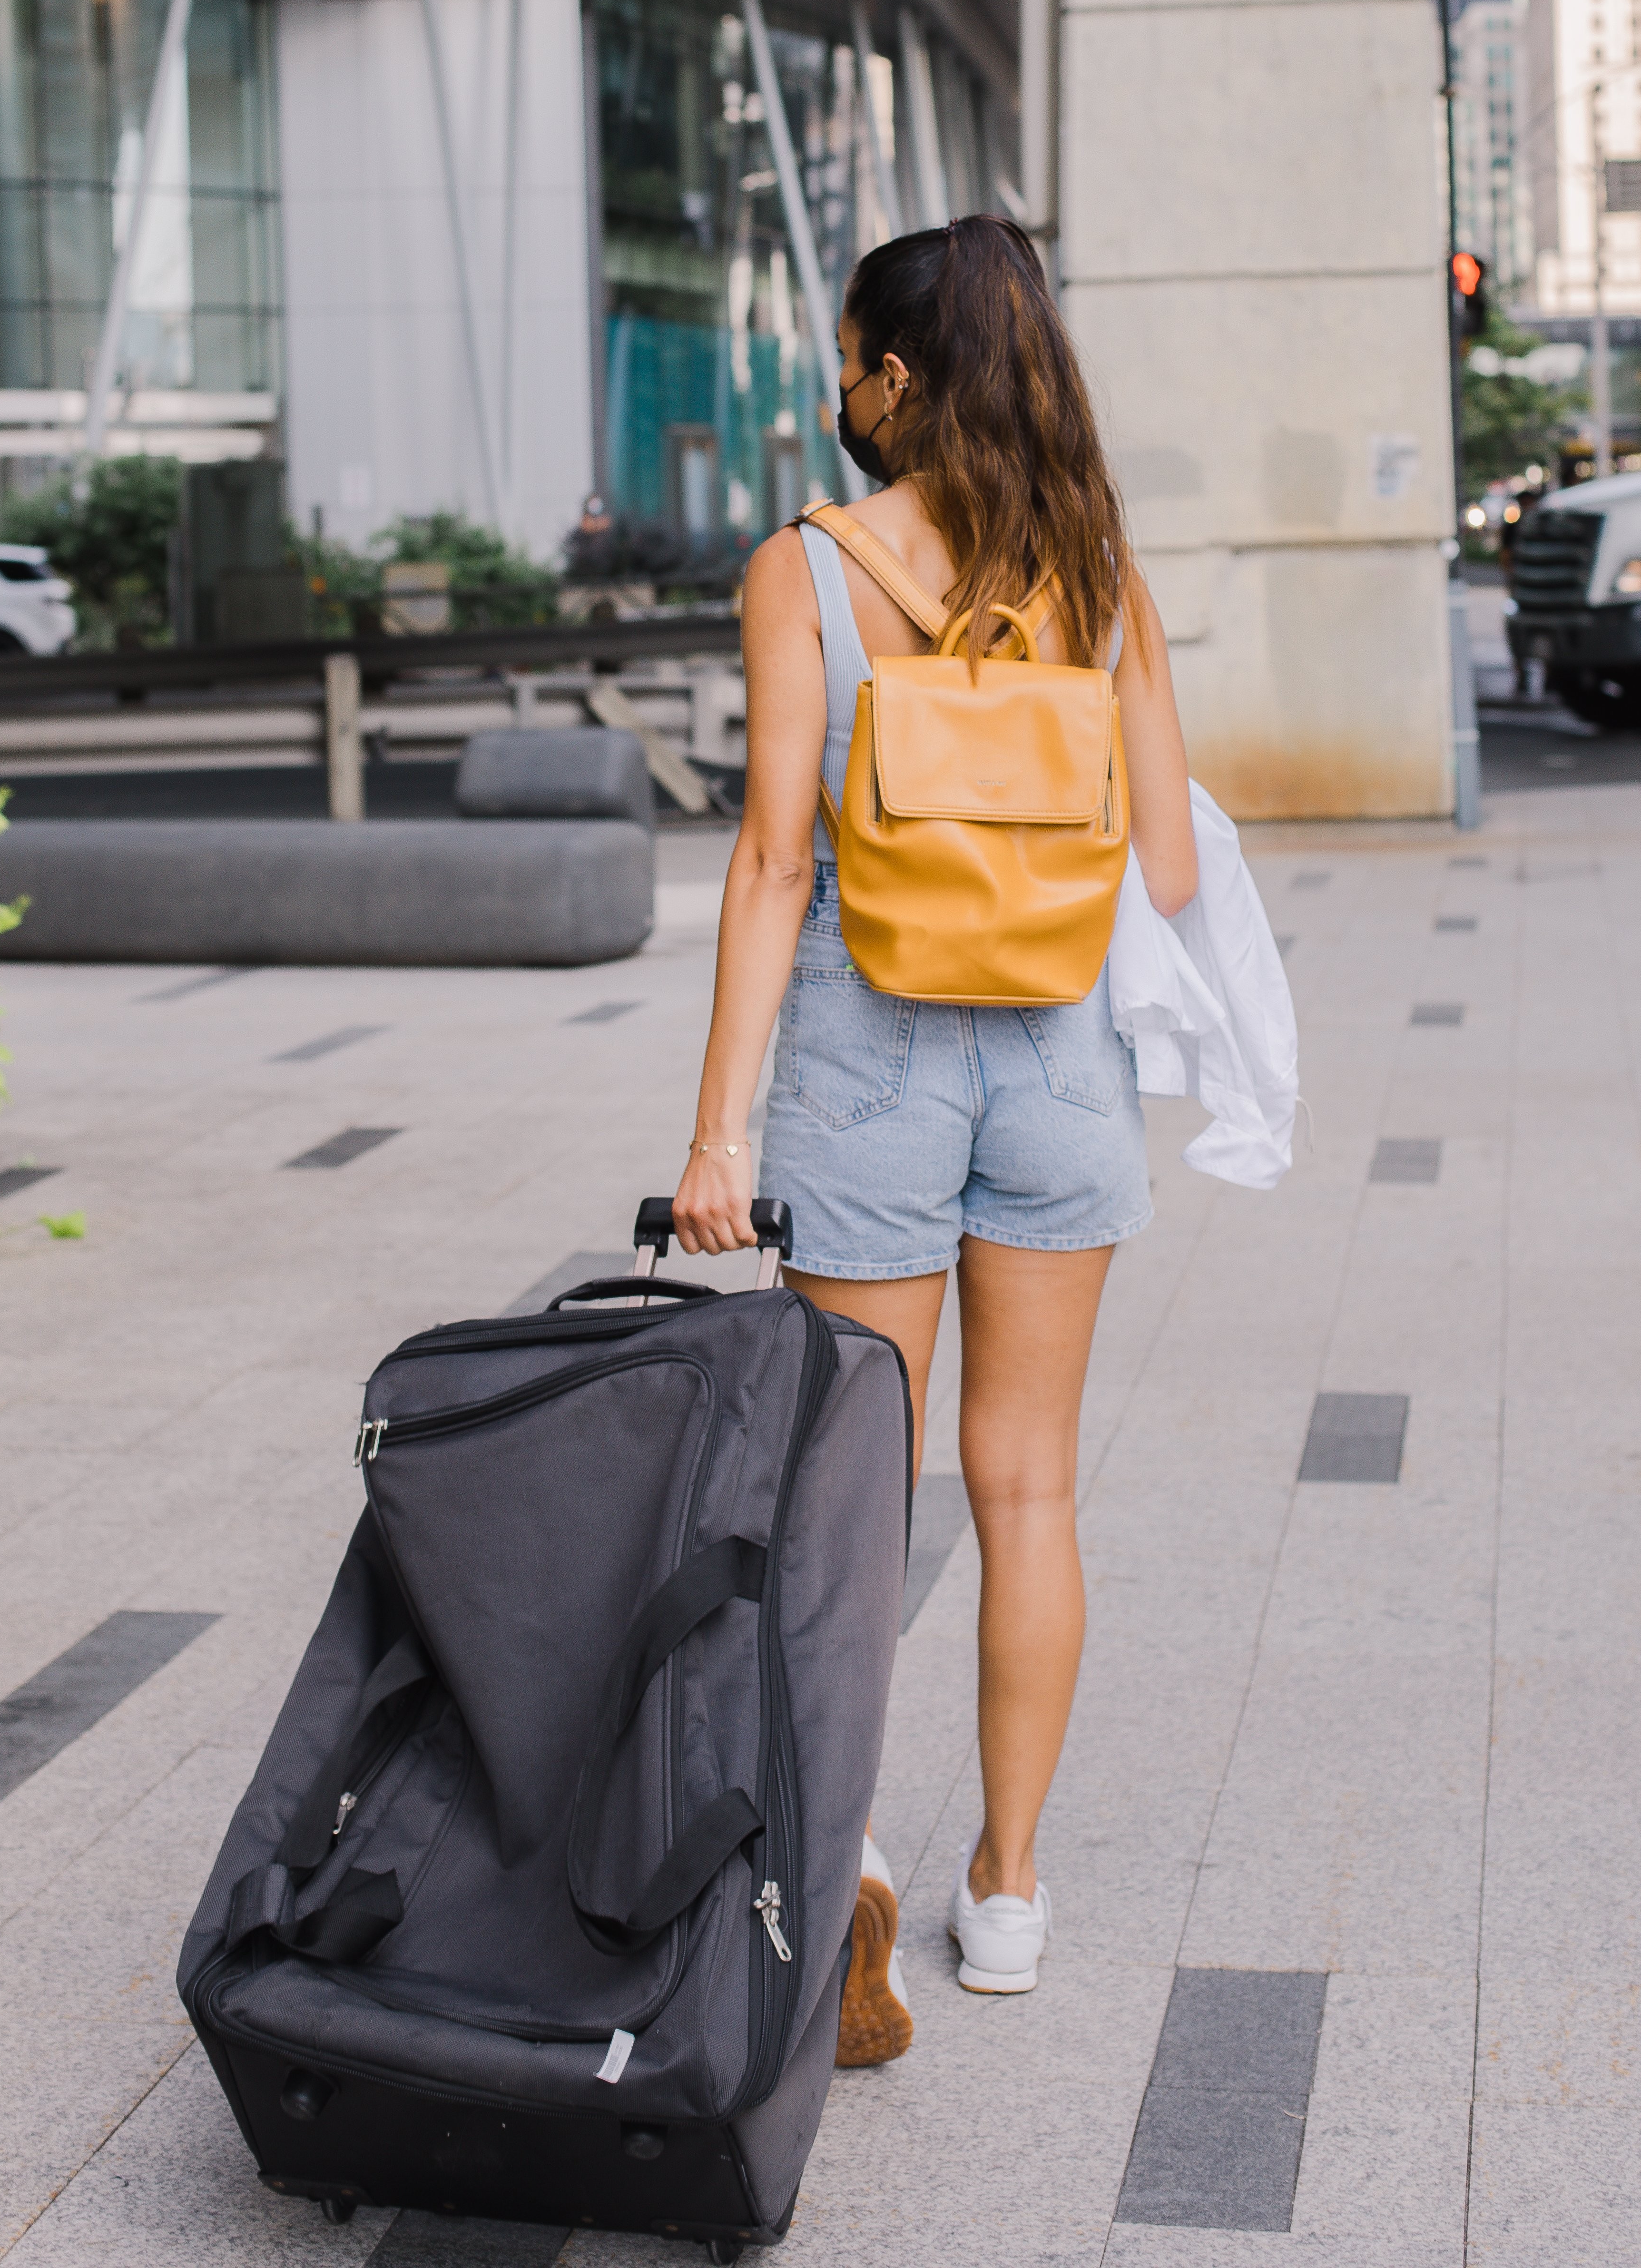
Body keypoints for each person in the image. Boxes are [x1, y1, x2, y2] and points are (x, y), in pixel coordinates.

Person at [672, 213, 1196, 2061]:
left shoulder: (804, 568)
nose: (834, 391)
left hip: (860, 1056)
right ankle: (1013, 1890)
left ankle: (847, 1861)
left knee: (851, 1509)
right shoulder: (1099, 570)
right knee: (1028, 1484)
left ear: (895, 379)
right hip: (1055, 1062)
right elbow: (1177, 860)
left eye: (845, 360)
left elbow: (769, 864)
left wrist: (718, 1135)